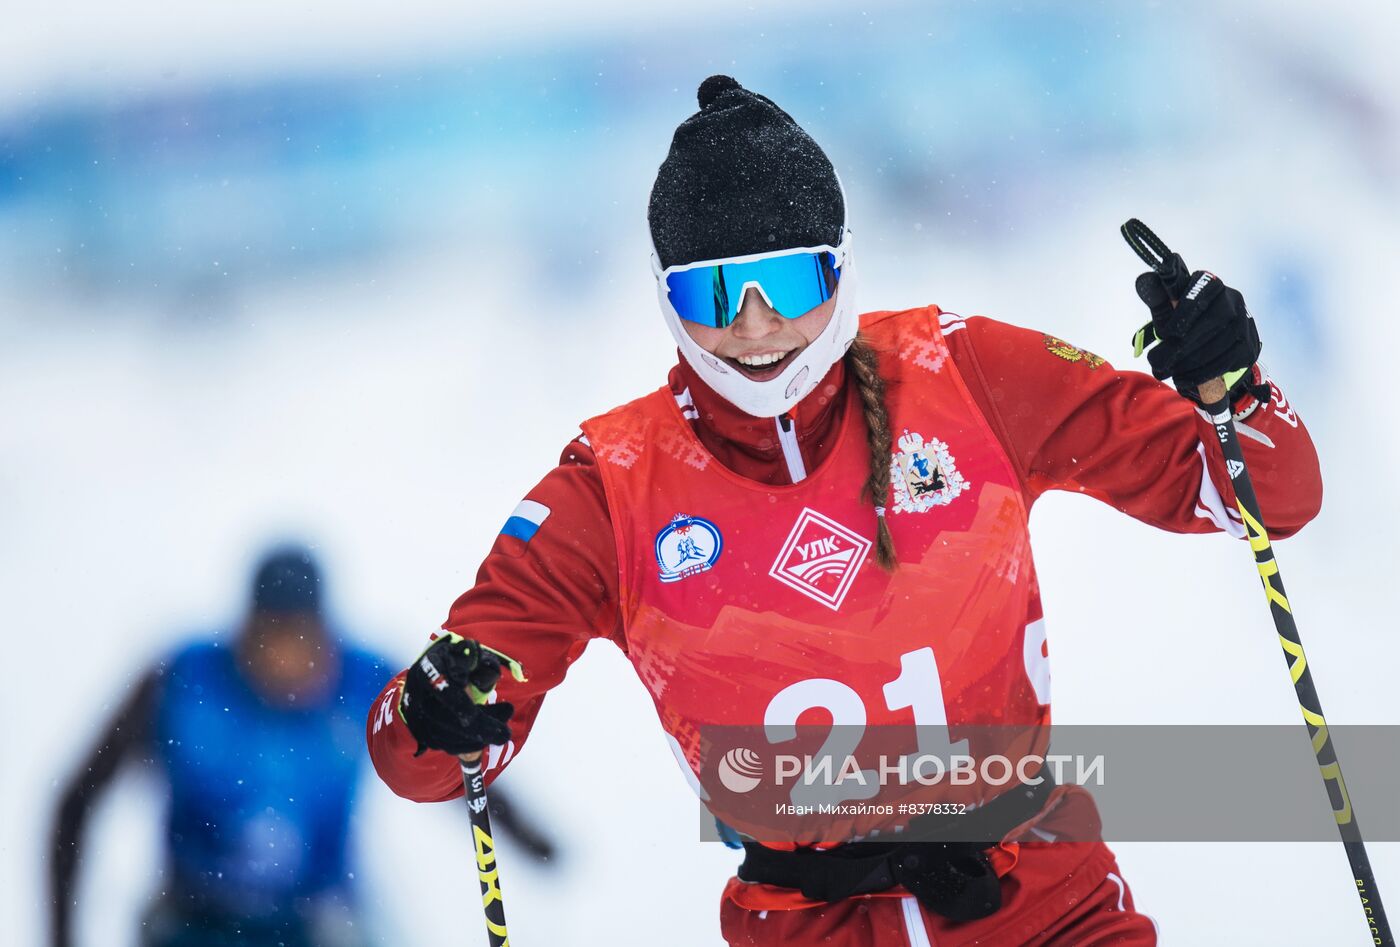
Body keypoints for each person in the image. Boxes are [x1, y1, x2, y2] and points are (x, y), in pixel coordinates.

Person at [365, 76, 1322, 946]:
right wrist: (438, 711)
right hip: (809, 927)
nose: (753, 325)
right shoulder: (610, 488)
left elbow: (1269, 497)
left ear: (840, 270)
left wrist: (1229, 392)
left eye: (784, 281)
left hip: (1043, 900)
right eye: (710, 291)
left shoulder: (970, 374)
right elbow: (424, 763)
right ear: (667, 301)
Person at [50, 545, 558, 947]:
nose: (283, 658)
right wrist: (60, 936)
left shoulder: (367, 684)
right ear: (244, 630)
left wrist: (526, 834)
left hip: (319, 923)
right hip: (191, 920)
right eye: (269, 636)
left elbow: (448, 751)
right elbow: (75, 801)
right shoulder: (182, 681)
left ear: (324, 635)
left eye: (299, 639)